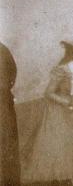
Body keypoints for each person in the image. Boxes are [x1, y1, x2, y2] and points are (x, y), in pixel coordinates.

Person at [21, 33, 73, 186]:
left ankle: (65, 177)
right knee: (58, 143)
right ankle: (56, 178)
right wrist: (66, 102)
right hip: (58, 112)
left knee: (70, 144)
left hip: (72, 113)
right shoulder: (63, 69)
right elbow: (48, 92)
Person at [0, 42, 21, 186]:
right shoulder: (3, 49)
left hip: (3, 104)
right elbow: (13, 73)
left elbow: (11, 73)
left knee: (7, 145)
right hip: (4, 101)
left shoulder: (2, 50)